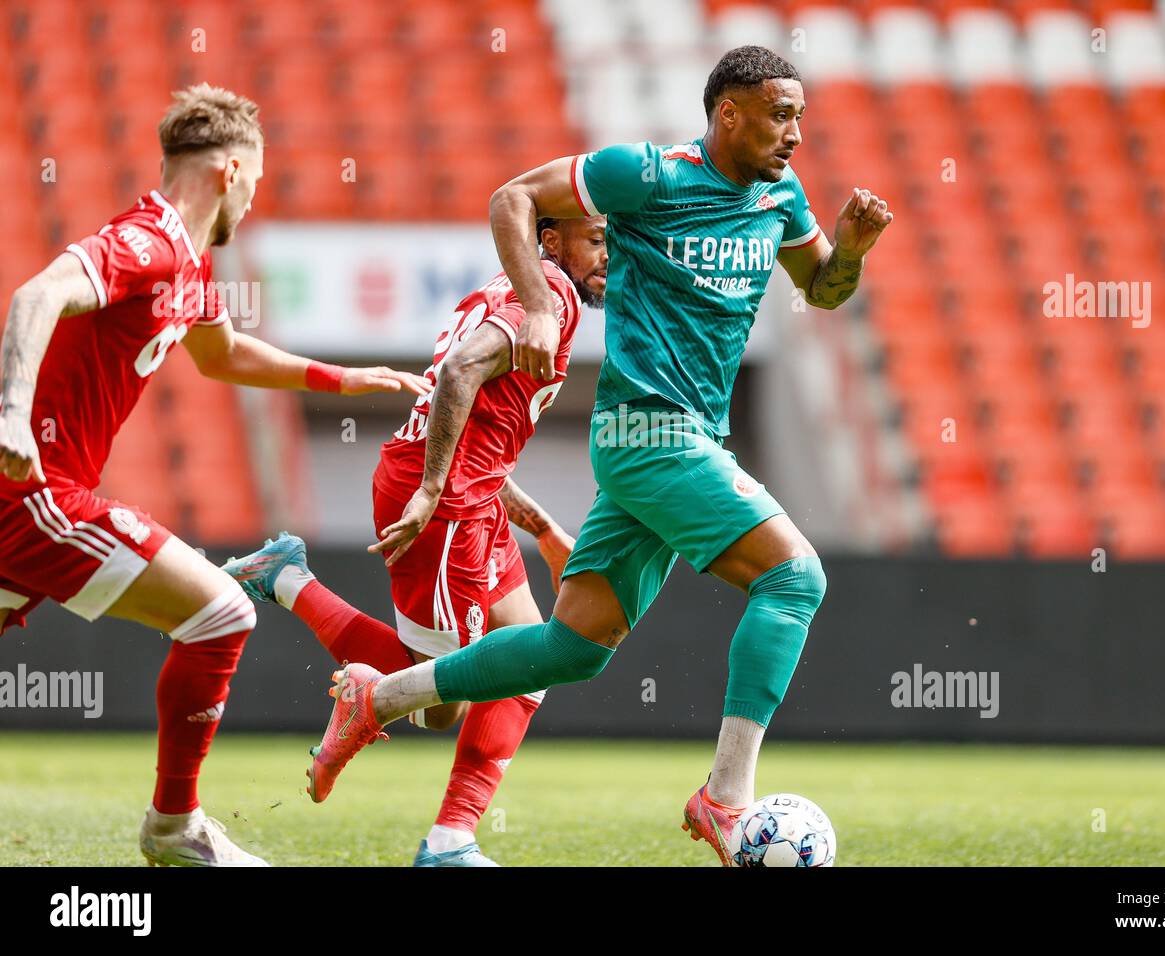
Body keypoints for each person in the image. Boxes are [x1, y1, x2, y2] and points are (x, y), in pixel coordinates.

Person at [306, 45, 893, 866]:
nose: (797, 133)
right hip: (651, 432)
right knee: (795, 578)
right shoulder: (649, 176)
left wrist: (852, 252)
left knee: (571, 650)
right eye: (781, 114)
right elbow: (512, 197)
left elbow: (822, 288)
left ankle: (379, 698)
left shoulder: (781, 196)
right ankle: (726, 799)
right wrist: (543, 306)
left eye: (802, 115)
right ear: (730, 113)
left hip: (684, 439)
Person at [0, 84, 430, 866]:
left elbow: (225, 354)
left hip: (30, 499)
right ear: (232, 171)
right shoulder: (150, 240)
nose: (255, 200)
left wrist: (345, 379)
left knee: (217, 613)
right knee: (223, 612)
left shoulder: (190, 269)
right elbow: (37, 294)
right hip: (34, 492)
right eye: (258, 182)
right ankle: (175, 828)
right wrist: (9, 413)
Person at [223, 215, 607, 865]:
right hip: (445, 504)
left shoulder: (520, 287)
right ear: (549, 241)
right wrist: (433, 492)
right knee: (438, 703)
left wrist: (540, 527)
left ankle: (452, 839)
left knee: (532, 662)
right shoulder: (552, 294)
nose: (610, 255)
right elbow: (459, 371)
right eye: (597, 240)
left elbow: (479, 436)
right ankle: (289, 581)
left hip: (465, 496)